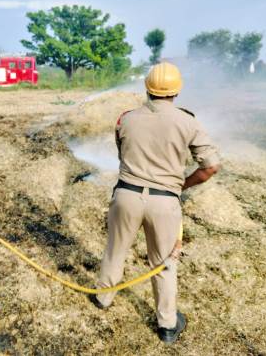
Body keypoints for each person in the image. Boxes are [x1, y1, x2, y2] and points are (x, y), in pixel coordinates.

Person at [94, 62, 221, 344]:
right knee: (163, 263)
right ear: (177, 90)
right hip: (165, 202)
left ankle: (103, 299)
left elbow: (122, 154)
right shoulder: (188, 121)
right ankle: (166, 325)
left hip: (125, 195)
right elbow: (211, 166)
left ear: (147, 87)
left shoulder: (125, 119)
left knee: (115, 250)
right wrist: (181, 185)